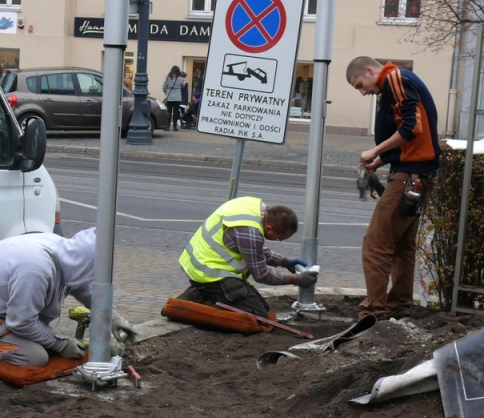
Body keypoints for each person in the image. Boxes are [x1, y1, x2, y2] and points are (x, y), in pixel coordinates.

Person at [0, 228, 137, 375]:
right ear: (85, 263)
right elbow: (21, 322)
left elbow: (83, 287)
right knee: (34, 357)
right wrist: (61, 344)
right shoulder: (35, 269)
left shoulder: (66, 252)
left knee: (45, 344)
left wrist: (112, 317)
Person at [345, 56, 441, 321]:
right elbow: (410, 135)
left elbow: (412, 126)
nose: (363, 92)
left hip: (410, 175)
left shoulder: (394, 79)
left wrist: (375, 149)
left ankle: (374, 311)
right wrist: (381, 160)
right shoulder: (399, 81)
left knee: (376, 243)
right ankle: (399, 305)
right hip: (419, 172)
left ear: (368, 69)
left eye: (360, 85)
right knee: (402, 245)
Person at [177, 197, 317, 318]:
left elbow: (251, 249)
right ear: (268, 228)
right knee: (257, 315)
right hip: (210, 274)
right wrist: (295, 280)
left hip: (201, 265)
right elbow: (262, 275)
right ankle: (183, 308)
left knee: (264, 310)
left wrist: (283, 261)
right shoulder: (250, 232)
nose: (279, 241)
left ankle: (201, 294)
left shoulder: (252, 208)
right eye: (280, 238)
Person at [161, 65, 185, 131]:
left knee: (169, 111)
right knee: (175, 112)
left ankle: (167, 126)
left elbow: (164, 86)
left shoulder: (168, 77)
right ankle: (174, 127)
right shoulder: (180, 79)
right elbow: (183, 86)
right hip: (177, 97)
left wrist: (166, 92)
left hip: (170, 97)